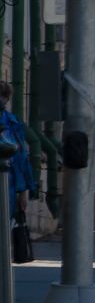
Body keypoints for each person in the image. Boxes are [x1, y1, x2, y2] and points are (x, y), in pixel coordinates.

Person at [0, 82, 36, 231]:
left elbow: (21, 159)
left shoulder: (13, 123)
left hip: (9, 183)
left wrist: (23, 192)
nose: (2, 99)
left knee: (4, 225)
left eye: (4, 96)